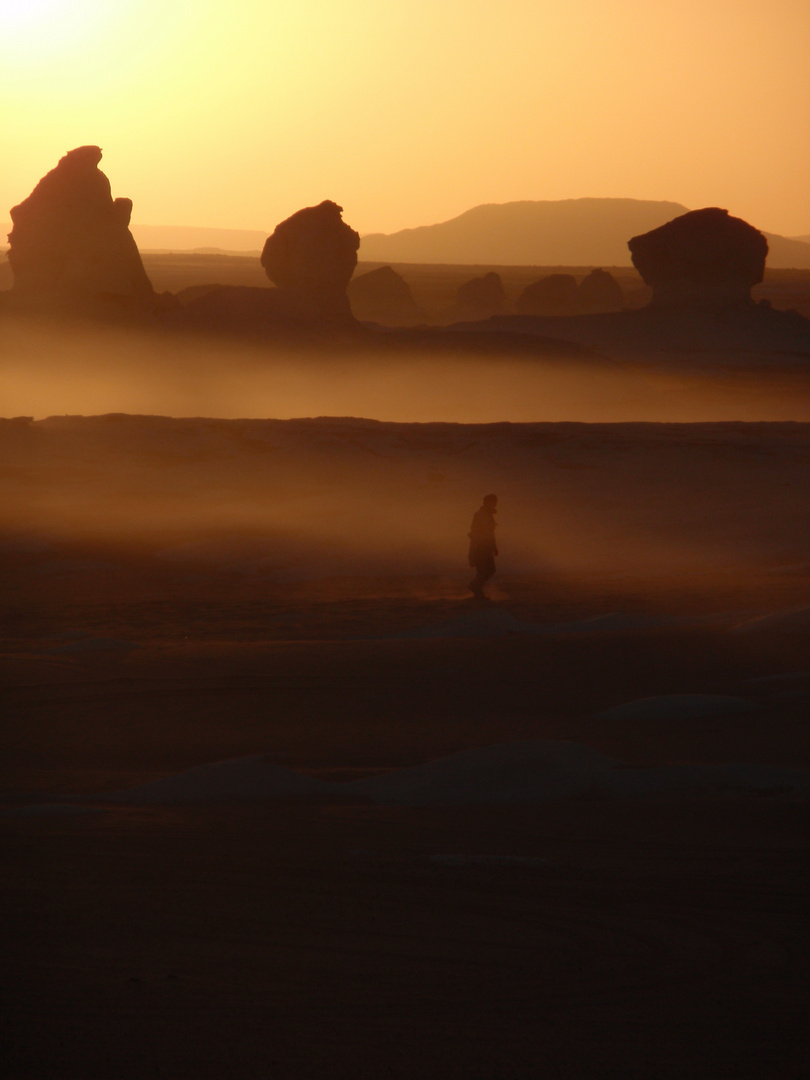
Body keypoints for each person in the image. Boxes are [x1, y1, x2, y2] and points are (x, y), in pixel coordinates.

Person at [468, 493, 498, 597]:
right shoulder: (479, 515)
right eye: (493, 503)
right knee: (483, 569)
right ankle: (476, 587)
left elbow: (491, 532)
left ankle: (475, 586)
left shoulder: (489, 515)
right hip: (480, 546)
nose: (495, 505)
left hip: (487, 546)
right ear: (488, 503)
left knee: (490, 569)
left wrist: (494, 546)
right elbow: (475, 531)